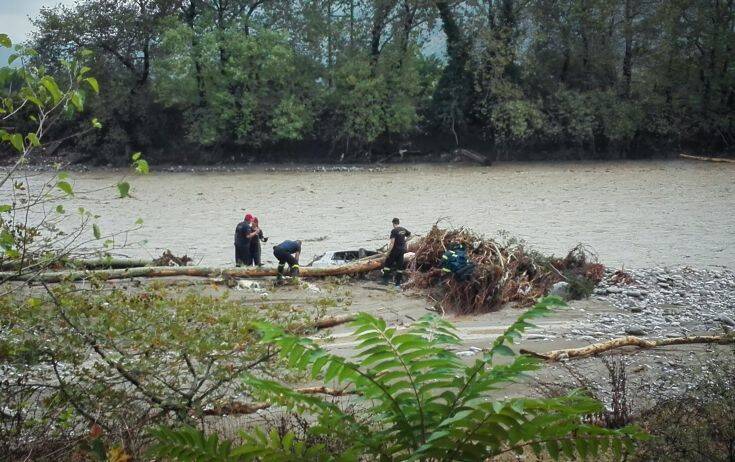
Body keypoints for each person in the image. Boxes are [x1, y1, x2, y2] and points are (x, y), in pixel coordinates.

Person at [382, 217, 411, 286]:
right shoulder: (403, 229)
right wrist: (404, 241)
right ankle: (397, 284)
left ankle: (385, 281)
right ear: (398, 223)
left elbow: (392, 243)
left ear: (393, 223)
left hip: (395, 250)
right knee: (399, 267)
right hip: (402, 250)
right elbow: (410, 235)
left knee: (387, 265)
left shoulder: (394, 231)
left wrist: (388, 253)